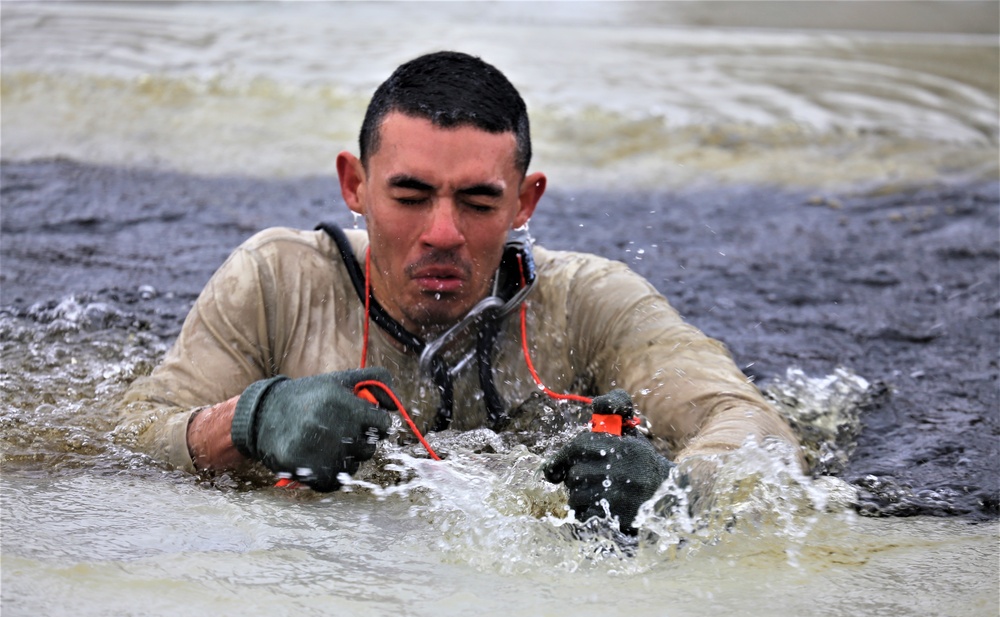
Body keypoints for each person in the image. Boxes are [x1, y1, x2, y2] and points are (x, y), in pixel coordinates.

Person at [119, 51, 802, 534]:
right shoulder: (276, 281)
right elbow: (125, 435)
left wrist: (674, 491)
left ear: (526, 201)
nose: (442, 233)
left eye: (479, 201)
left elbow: (757, 432)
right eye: (410, 194)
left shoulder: (591, 301)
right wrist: (249, 419)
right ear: (353, 184)